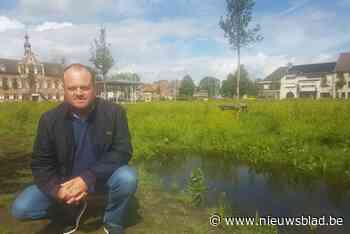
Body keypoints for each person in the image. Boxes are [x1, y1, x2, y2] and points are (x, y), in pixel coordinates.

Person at [11, 63, 137, 234]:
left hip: (100, 178)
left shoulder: (114, 113)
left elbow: (122, 151)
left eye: (84, 87)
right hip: (64, 183)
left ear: (94, 88)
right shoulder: (49, 120)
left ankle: (113, 222)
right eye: (72, 88)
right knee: (21, 209)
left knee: (127, 178)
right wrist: (58, 191)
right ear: (64, 90)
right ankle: (70, 210)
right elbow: (41, 164)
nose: (78, 93)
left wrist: (88, 178)